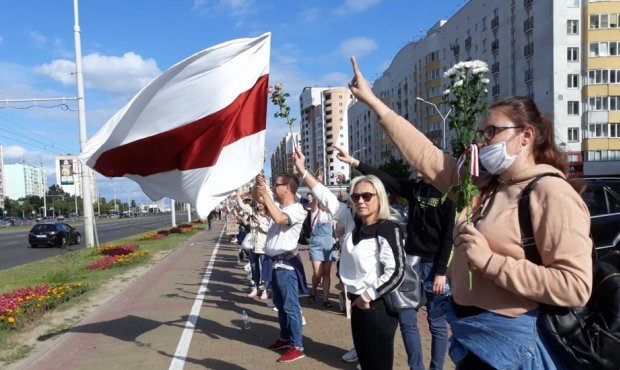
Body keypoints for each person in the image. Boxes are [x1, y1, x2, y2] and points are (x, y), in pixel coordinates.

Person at [347, 56, 593, 369]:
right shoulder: (486, 187)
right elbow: (427, 157)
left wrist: (489, 262)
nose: (482, 141)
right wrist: (373, 102)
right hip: (474, 335)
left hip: (513, 343)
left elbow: (573, 286)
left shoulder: (549, 191)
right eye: (481, 133)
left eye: (492, 132)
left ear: (526, 136)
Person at [335, 144, 455, 370]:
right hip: (409, 262)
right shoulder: (415, 189)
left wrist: (441, 271)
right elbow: (386, 180)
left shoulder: (449, 193)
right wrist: (354, 163)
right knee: (407, 321)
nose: (415, 163)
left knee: (436, 322)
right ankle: (416, 367)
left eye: (421, 159)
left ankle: (436, 367)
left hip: (433, 266)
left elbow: (449, 236)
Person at [293, 149, 406, 370]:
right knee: (364, 361)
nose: (360, 201)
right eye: (356, 196)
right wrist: (302, 170)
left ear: (379, 198)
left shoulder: (387, 228)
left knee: (379, 365)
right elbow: (325, 195)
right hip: (357, 302)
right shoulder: (353, 221)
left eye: (367, 196)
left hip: (377, 306)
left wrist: (368, 296)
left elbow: (396, 271)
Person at [254, 172, 309, 363]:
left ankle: (297, 345)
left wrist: (266, 195)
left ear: (287, 188)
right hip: (274, 263)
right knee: (280, 305)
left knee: (290, 306)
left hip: (286, 265)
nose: (274, 187)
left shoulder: (297, 210)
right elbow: (258, 200)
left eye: (277, 185)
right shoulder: (277, 205)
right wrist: (259, 186)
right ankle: (285, 337)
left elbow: (278, 218)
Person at [306, 185, 337, 308]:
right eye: (322, 201)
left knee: (327, 273)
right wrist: (316, 186)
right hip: (316, 246)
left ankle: (325, 299)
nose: (324, 203)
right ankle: (313, 290)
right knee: (317, 273)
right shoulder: (315, 213)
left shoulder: (331, 214)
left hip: (328, 246)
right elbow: (314, 202)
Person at [237, 188, 270, 299]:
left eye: (261, 203)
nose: (259, 205)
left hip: (263, 247)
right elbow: (242, 206)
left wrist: (259, 223)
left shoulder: (269, 215)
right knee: (254, 267)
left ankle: (265, 289)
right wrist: (238, 194)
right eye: (257, 203)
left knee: (265, 269)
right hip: (252, 245)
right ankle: (255, 287)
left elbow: (269, 230)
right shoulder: (252, 212)